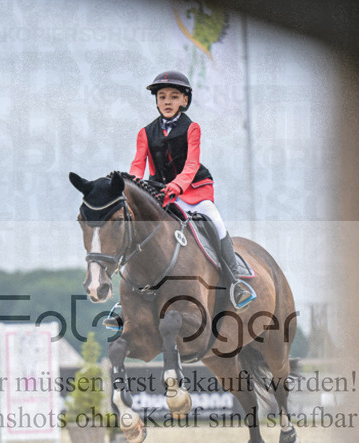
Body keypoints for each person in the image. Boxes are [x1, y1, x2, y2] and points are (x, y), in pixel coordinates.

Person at [104, 70, 255, 331]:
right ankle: (125, 302)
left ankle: (235, 284)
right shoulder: (145, 133)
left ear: (184, 101)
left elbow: (191, 165)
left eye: (174, 96)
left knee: (216, 222)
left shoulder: (191, 128)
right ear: (157, 101)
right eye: (162, 97)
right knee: (136, 230)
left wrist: (175, 187)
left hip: (193, 190)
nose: (167, 101)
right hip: (158, 193)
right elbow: (138, 166)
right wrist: (129, 190)